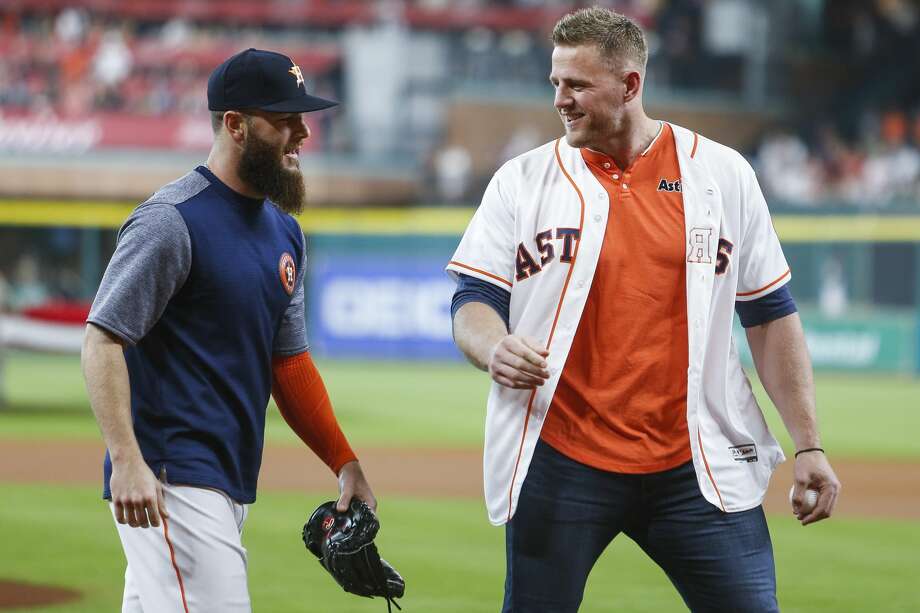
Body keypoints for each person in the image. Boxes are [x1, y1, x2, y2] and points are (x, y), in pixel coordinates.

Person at [447, 8, 841, 612]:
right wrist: (493, 346)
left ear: (630, 85)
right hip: (563, 458)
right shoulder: (519, 182)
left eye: (577, 84)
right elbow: (473, 301)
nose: (561, 99)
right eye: (556, 82)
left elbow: (769, 315)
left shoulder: (722, 175)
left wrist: (808, 443)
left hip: (694, 463)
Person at [81, 48, 375, 612]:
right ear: (235, 125)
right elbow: (103, 340)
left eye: (303, 117)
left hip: (227, 475)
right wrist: (127, 460)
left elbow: (287, 364)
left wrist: (344, 462)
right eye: (285, 119)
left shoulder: (284, 232)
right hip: (170, 478)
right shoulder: (172, 220)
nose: (302, 132)